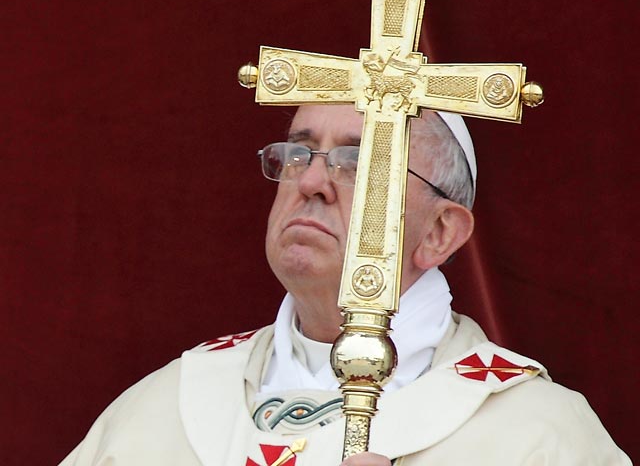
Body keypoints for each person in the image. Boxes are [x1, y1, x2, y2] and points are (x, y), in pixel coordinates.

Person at [60, 105, 631, 465]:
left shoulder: (536, 435)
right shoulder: (164, 406)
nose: (310, 180)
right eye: (297, 153)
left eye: (359, 162)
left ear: (439, 232)